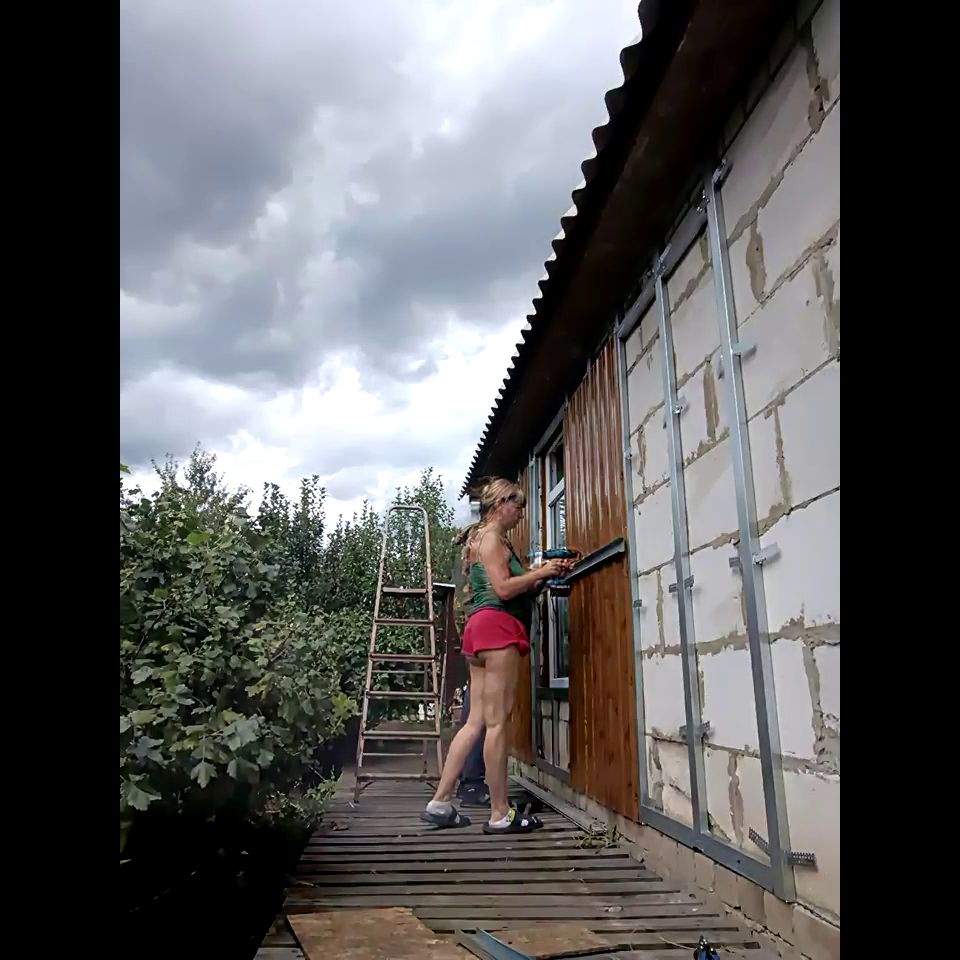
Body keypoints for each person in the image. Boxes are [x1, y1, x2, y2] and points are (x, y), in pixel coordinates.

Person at [421, 477, 569, 833]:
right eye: (517, 505)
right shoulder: (491, 539)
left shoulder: (481, 538)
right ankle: (500, 813)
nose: (521, 513)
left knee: (475, 722)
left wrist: (537, 577)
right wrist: (544, 571)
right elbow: (503, 589)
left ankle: (440, 802)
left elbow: (504, 584)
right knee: (498, 722)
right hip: (498, 628)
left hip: (479, 629)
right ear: (500, 504)